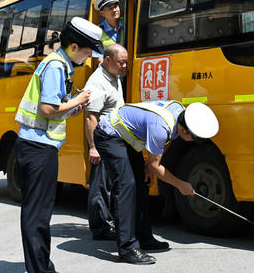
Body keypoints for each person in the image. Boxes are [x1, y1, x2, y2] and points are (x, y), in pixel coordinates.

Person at [14, 17, 103, 273]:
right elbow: (47, 109)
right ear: (74, 47)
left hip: (40, 147)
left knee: (39, 212)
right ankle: (40, 269)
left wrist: (73, 107)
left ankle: (42, 266)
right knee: (38, 215)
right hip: (38, 148)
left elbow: (54, 110)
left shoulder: (60, 65)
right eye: (87, 51)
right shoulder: (55, 66)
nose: (88, 58)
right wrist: (79, 100)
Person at [94, 101, 219, 265]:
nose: (192, 141)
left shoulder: (180, 114)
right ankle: (127, 248)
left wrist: (149, 168)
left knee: (141, 184)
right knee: (126, 185)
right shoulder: (162, 127)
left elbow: (158, 153)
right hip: (108, 135)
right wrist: (181, 184)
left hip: (127, 137)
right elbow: (156, 164)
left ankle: (143, 238)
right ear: (183, 130)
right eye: (193, 138)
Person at [83, 44, 128, 241]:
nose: (125, 66)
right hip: (101, 141)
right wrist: (93, 147)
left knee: (109, 184)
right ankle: (100, 229)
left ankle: (107, 223)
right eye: (121, 62)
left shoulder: (114, 76)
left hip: (113, 140)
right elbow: (90, 117)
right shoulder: (97, 82)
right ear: (107, 60)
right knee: (100, 186)